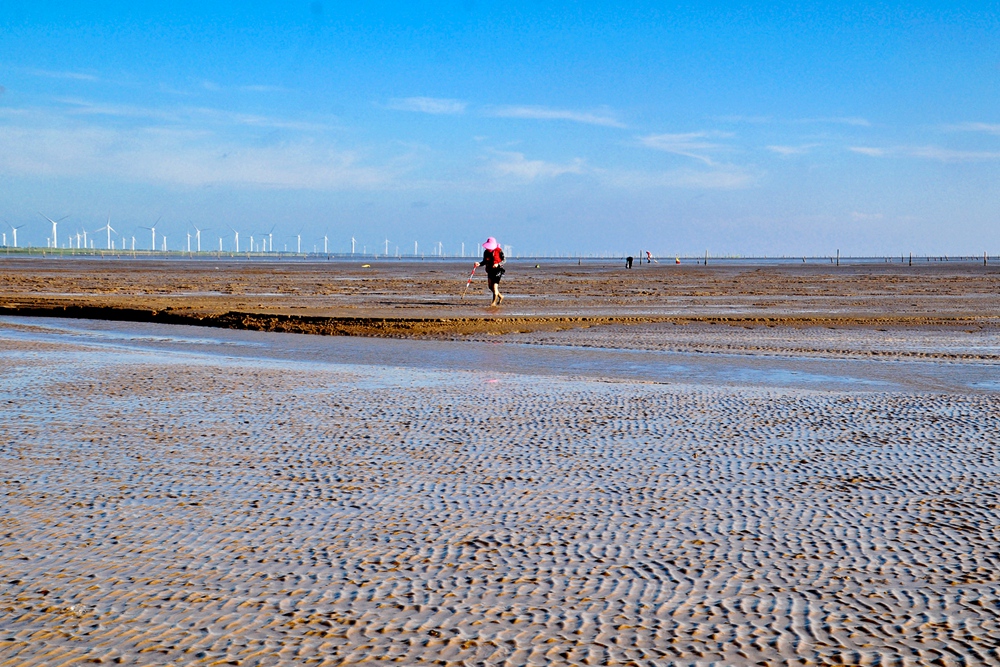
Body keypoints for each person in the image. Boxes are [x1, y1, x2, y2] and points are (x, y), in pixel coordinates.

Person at [475, 237, 505, 306]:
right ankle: (500, 296)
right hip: (490, 270)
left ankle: (493, 303)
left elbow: (504, 260)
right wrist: (479, 264)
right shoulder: (486, 252)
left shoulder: (499, 251)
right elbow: (484, 261)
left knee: (495, 287)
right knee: (490, 286)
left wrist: (498, 264)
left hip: (498, 271)